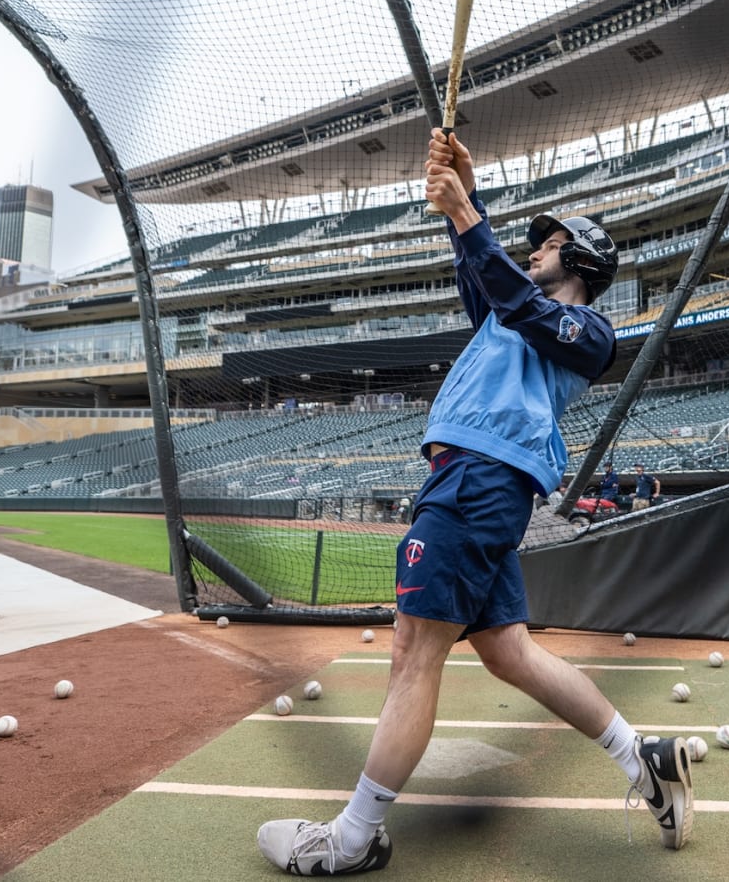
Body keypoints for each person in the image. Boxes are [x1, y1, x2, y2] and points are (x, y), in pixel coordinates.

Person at [257, 128, 692, 875]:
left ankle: (352, 840)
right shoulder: (508, 309)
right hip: (477, 483)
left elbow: (517, 297)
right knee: (508, 651)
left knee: (412, 653)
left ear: (582, 260)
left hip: (477, 480)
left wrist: (466, 213)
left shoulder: (588, 331)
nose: (534, 251)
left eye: (548, 244)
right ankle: (641, 759)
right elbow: (487, 275)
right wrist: (467, 188)